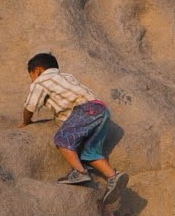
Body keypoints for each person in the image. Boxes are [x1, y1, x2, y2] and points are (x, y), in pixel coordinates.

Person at [18, 53, 129, 205]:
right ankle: (113, 176)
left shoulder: (41, 82)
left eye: (31, 76)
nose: (32, 80)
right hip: (101, 110)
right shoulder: (67, 77)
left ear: (37, 71)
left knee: (63, 139)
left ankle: (80, 172)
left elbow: (30, 106)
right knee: (88, 152)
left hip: (85, 110)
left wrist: (26, 121)